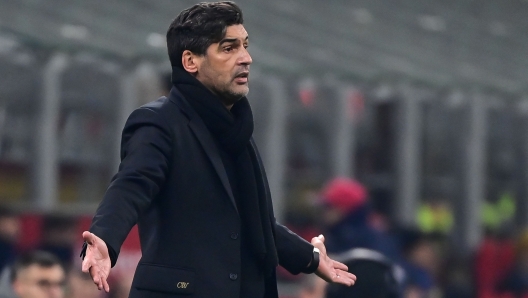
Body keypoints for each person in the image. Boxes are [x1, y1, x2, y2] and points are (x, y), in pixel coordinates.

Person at [80, 2, 356, 298]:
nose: (246, 58)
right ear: (190, 62)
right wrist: (105, 239)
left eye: (245, 46)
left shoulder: (237, 132)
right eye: (228, 48)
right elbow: (132, 184)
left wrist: (311, 258)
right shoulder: (159, 122)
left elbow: (251, 223)